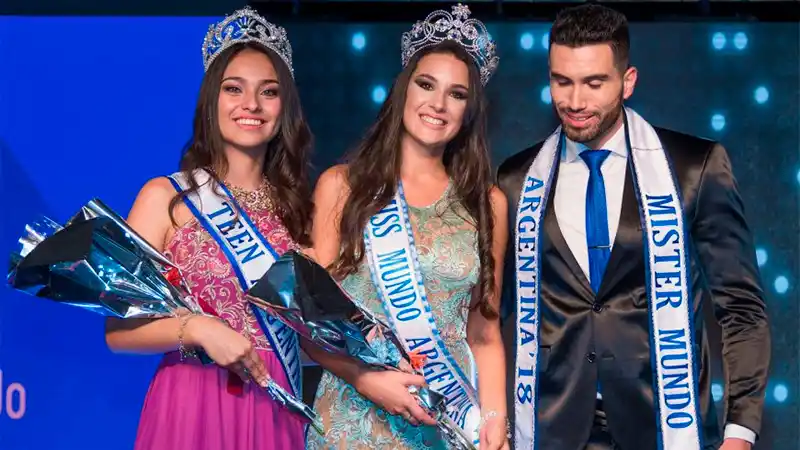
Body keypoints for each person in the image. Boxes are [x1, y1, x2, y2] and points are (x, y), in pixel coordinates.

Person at [497, 4, 770, 450]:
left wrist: (739, 432)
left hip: (666, 425)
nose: (575, 101)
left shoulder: (693, 167)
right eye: (561, 81)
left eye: (593, 83)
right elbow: (489, 313)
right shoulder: (516, 179)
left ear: (628, 82)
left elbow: (741, 307)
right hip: (552, 428)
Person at [104, 7, 313, 450]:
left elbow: (316, 336)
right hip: (192, 401)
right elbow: (118, 332)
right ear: (210, 101)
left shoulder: (302, 211)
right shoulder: (166, 197)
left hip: (275, 404)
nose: (251, 104)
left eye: (269, 91)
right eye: (233, 88)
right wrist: (198, 329)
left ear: (284, 108)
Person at [304, 4, 510, 450]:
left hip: (447, 422)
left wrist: (495, 422)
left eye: (457, 94)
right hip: (351, 415)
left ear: (469, 111)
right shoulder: (341, 187)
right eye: (426, 84)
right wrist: (366, 379)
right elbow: (313, 323)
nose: (438, 104)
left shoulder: (487, 204)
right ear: (403, 90)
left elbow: (484, 332)